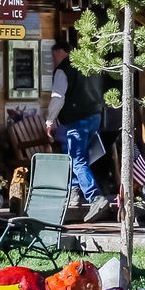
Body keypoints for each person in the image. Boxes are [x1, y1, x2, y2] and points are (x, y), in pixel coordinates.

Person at [45, 44, 111, 221]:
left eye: (54, 56)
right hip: (95, 117)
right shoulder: (88, 65)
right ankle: (74, 193)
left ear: (61, 52)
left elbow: (58, 98)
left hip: (76, 121)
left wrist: (50, 121)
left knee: (77, 160)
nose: (54, 60)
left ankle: (95, 197)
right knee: (79, 156)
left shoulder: (63, 70)